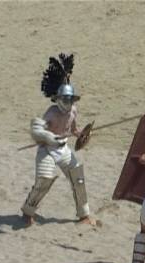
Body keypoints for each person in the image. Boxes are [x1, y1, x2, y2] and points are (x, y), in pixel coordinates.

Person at [20, 54, 94, 226]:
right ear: (58, 99)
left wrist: (82, 134)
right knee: (44, 181)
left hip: (63, 149)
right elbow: (38, 128)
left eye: (70, 99)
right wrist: (47, 136)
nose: (67, 102)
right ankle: (27, 212)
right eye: (65, 99)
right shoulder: (51, 112)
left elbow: (74, 129)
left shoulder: (74, 111)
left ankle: (84, 215)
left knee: (78, 178)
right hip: (47, 150)